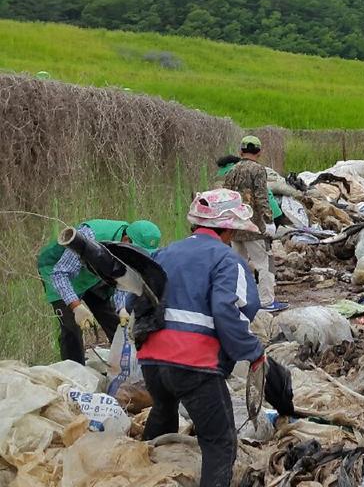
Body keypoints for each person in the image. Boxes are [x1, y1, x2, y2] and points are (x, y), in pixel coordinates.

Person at [138, 189, 265, 487]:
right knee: (220, 442)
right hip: (193, 365)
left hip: (152, 361)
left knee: (164, 410)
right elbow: (229, 310)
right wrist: (252, 350)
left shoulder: (164, 253)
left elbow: (137, 301)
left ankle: (144, 474)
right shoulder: (228, 260)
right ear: (230, 227)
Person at [37, 219, 161, 364]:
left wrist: (122, 308)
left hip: (92, 273)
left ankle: (124, 364)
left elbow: (121, 278)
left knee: (116, 322)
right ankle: (75, 373)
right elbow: (60, 274)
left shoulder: (128, 248)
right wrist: (76, 306)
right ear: (126, 240)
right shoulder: (89, 236)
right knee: (71, 328)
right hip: (58, 271)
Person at [223, 135, 286, 312]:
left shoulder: (232, 170)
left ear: (240, 151)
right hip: (254, 226)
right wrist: (268, 220)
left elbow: (227, 197)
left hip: (235, 226)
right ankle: (266, 301)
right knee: (262, 263)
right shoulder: (258, 170)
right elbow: (261, 197)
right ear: (259, 152)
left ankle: (241, 300)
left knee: (239, 264)